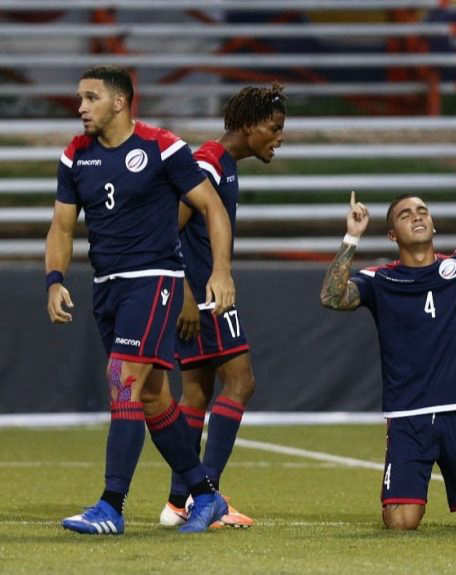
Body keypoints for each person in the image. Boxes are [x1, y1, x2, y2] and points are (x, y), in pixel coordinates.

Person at [45, 66, 236, 535]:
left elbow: (212, 207)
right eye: (79, 97)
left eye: (90, 97)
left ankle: (111, 505)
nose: (81, 107)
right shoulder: (76, 156)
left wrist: (221, 271)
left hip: (154, 280)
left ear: (120, 102)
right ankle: (206, 495)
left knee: (122, 379)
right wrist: (54, 278)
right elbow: (62, 226)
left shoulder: (161, 147)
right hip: (106, 284)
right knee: (151, 397)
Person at [320, 186, 456, 530]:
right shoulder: (380, 279)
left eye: (422, 211)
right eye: (405, 215)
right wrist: (352, 236)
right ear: (393, 234)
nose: (417, 216)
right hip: (409, 417)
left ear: (433, 225)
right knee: (401, 523)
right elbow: (333, 297)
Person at [160, 84, 286, 529]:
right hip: (201, 294)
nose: (279, 137)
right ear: (249, 126)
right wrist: (187, 295)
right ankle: (205, 493)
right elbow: (167, 229)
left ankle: (180, 500)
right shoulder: (208, 163)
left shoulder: (222, 163)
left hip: (198, 292)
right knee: (241, 381)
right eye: (273, 128)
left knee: (196, 392)